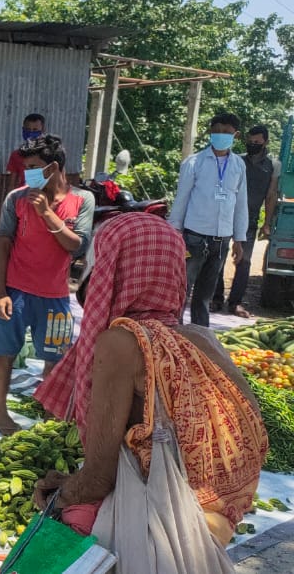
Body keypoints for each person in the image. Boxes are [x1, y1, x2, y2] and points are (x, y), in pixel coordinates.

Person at [31, 213, 266, 572]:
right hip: (213, 523)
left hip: (161, 535)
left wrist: (57, 497)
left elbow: (97, 481)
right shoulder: (203, 340)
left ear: (112, 269)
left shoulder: (121, 344)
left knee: (66, 518)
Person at [0, 135, 93, 436]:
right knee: (5, 354)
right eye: (25, 167)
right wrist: (1, 293)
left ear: (53, 167)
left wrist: (46, 213)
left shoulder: (82, 200)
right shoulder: (16, 198)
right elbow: (2, 244)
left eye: (33, 167)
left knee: (54, 361)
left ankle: (50, 419)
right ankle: (0, 415)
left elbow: (77, 247)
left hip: (56, 297)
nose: (27, 173)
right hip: (16, 293)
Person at [168, 113, 248, 328]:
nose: (221, 135)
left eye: (227, 132)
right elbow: (182, 198)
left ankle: (200, 337)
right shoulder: (194, 162)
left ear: (236, 135)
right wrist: (175, 233)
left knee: (205, 296)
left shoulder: (238, 165)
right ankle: (172, 333)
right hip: (193, 238)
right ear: (210, 132)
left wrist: (239, 240)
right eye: (217, 131)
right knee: (181, 290)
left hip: (221, 241)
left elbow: (241, 204)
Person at [213, 124, 282, 318]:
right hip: (226, 217)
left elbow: (271, 195)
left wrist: (266, 223)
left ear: (265, 142)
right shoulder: (236, 160)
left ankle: (235, 303)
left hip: (249, 220)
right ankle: (216, 298)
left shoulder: (273, 166)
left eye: (257, 142)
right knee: (219, 257)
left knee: (244, 261)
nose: (253, 145)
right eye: (250, 142)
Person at [6, 113, 45, 189]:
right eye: (28, 129)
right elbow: (12, 184)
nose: (31, 133)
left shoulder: (50, 154)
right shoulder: (16, 155)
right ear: (23, 130)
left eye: (35, 130)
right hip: (24, 196)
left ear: (43, 130)